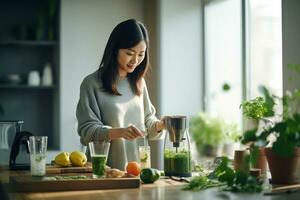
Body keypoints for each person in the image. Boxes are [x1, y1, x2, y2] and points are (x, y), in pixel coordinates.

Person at [76, 19, 165, 170]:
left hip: (138, 172)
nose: (135, 61)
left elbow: (148, 125)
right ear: (115, 49)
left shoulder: (139, 83)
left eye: (141, 54)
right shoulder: (91, 84)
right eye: (130, 53)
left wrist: (162, 124)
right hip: (104, 172)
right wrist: (119, 132)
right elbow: (87, 132)